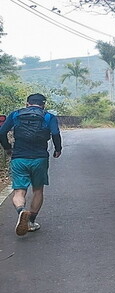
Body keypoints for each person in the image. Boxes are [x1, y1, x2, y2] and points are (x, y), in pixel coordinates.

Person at [0, 93, 62, 236]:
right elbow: (55, 134)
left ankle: (21, 210)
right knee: (38, 190)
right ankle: (31, 221)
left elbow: (1, 132)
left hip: (19, 158)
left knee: (19, 191)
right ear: (43, 105)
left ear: (27, 103)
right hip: (39, 158)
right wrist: (58, 149)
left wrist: (8, 148)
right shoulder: (48, 117)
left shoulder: (15, 115)